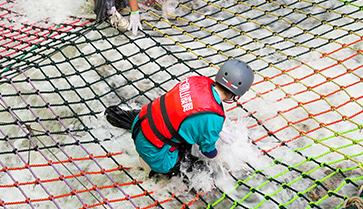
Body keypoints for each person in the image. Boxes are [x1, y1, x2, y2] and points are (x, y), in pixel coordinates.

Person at [105, 59, 254, 178]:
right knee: (211, 175)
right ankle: (156, 172)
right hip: (155, 154)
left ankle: (120, 118)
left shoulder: (197, 80)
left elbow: (187, 109)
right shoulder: (213, 119)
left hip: (142, 121)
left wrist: (218, 131)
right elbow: (208, 152)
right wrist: (221, 159)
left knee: (174, 123)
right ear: (238, 92)